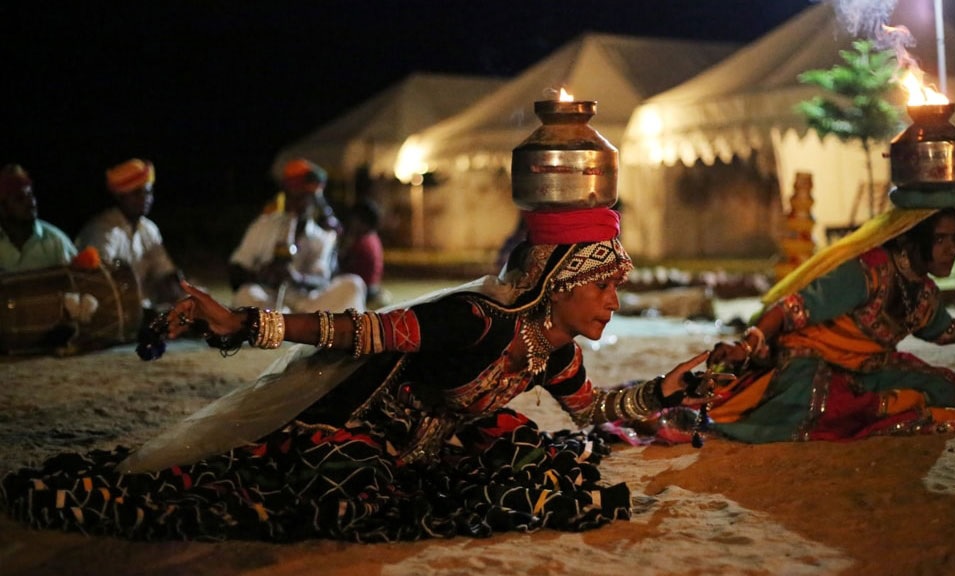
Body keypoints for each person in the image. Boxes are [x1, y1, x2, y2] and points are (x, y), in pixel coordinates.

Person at [1, 206, 711, 542]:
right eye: (605, 286)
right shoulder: (475, 319)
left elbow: (593, 409)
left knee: (531, 454)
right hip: (354, 435)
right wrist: (242, 324)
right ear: (562, 283)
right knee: (350, 488)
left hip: (435, 450)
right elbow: (350, 331)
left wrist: (666, 390)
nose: (615, 302)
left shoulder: (554, 350)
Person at [655, 206, 955, 444]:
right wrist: (748, 344)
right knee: (828, 413)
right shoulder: (868, 271)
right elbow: (792, 310)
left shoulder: (923, 292)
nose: (950, 250)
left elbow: (948, 333)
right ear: (914, 239)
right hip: (811, 363)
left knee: (941, 387)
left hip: (869, 368)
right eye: (940, 239)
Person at [230, 158, 364, 313]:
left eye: (305, 197)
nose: (299, 203)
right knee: (246, 293)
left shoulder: (321, 236)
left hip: (307, 304)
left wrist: (296, 278)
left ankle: (293, 325)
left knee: (353, 285)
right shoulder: (264, 225)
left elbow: (322, 280)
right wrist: (263, 275)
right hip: (268, 298)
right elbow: (236, 270)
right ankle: (282, 322)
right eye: (295, 197)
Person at [76, 158, 185, 310]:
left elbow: (164, 271)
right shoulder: (103, 231)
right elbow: (99, 279)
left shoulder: (148, 229)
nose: (145, 199)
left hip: (142, 308)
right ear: (120, 197)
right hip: (111, 312)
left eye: (148, 192)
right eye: (136, 193)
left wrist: (175, 285)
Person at [0, 164, 78, 272]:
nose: (31, 203)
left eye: (30, 195)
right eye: (20, 198)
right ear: (3, 208)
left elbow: (80, 283)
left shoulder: (56, 241)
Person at [335, 198, 385, 307]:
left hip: (364, 290)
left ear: (360, 221)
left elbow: (342, 269)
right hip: (372, 286)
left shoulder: (362, 243)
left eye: (353, 219)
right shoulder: (372, 238)